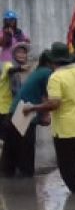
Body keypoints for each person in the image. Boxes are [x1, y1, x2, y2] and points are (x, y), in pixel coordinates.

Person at [22, 42, 75, 193]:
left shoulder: (56, 77)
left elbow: (54, 104)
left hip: (65, 129)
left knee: (66, 164)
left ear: (53, 61)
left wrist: (33, 108)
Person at [10, 49, 51, 177]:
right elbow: (46, 96)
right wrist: (45, 115)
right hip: (25, 113)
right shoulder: (47, 73)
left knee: (13, 153)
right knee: (26, 155)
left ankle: (12, 188)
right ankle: (26, 188)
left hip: (15, 111)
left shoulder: (37, 71)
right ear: (50, 62)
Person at [0, 42, 30, 176]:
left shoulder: (21, 70)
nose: (22, 55)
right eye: (19, 52)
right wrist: (21, 69)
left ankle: (11, 167)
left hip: (13, 109)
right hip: (4, 109)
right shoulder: (9, 65)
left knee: (12, 140)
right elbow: (10, 71)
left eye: (24, 52)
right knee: (5, 141)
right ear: (13, 54)